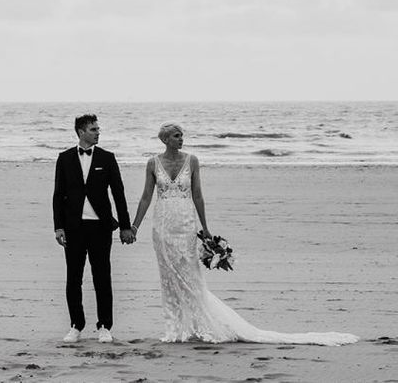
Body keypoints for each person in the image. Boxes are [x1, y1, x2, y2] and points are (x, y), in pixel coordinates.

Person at [130, 122, 358, 346]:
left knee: (190, 275)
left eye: (182, 135)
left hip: (185, 222)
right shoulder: (153, 163)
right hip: (162, 226)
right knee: (169, 277)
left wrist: (205, 228)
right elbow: (146, 197)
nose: (181, 139)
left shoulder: (192, 161)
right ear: (165, 139)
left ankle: (202, 324)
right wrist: (135, 226)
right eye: (177, 136)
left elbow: (198, 195)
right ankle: (176, 329)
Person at [52, 114, 135, 344]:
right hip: (73, 228)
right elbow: (58, 195)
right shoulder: (65, 158)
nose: (98, 132)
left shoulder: (107, 158)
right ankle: (76, 325)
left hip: (100, 228)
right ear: (81, 132)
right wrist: (58, 226)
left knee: (102, 278)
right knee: (73, 278)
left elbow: (118, 194)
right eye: (93, 129)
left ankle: (104, 326)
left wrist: (125, 226)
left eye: (98, 129)